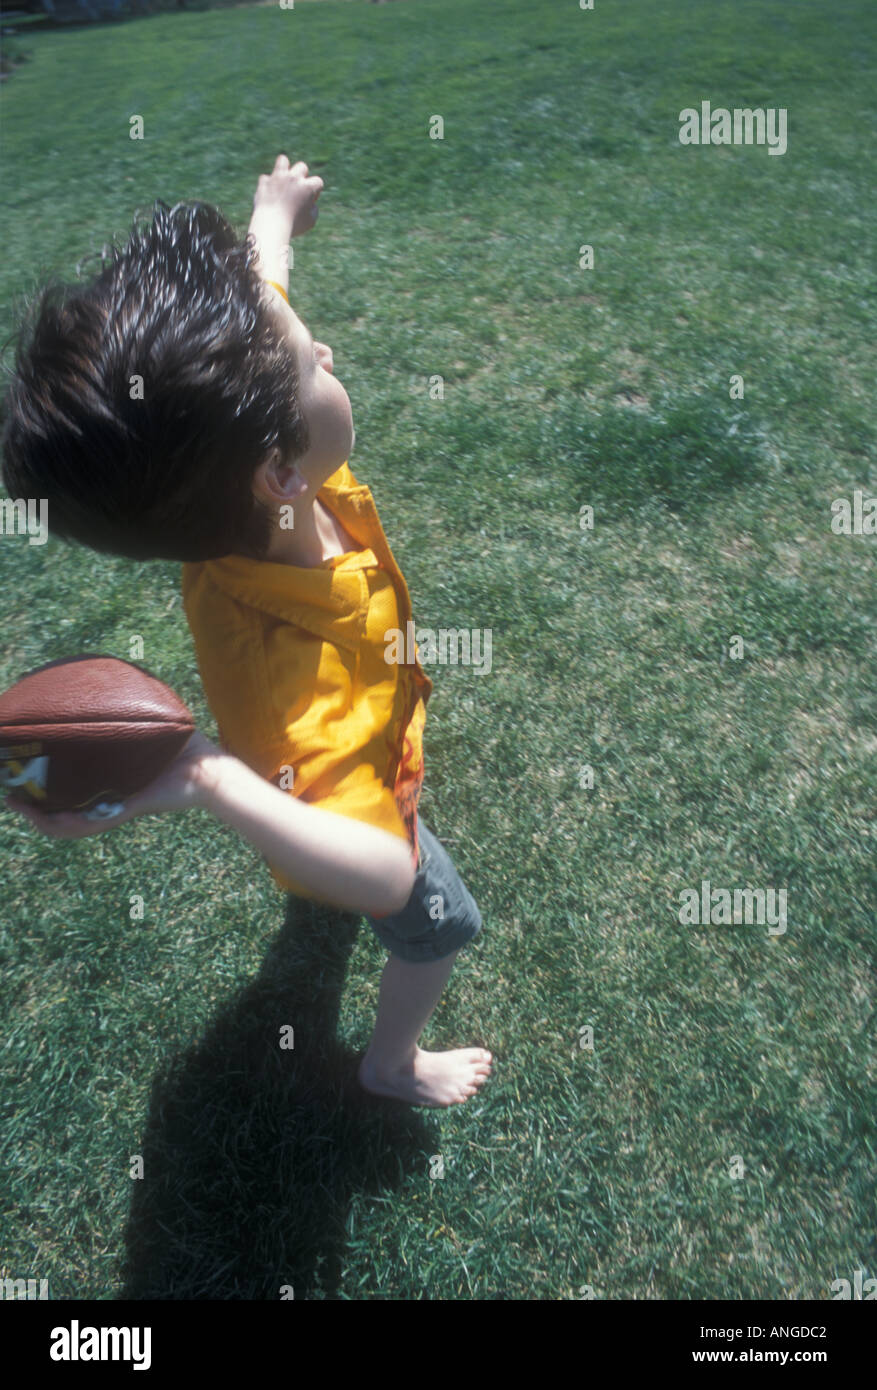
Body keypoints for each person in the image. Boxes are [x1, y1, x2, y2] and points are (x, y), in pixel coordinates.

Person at [1, 154, 492, 1108]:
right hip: (342, 788)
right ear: (279, 470)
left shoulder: (244, 485)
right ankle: (389, 1063)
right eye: (315, 363)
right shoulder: (299, 687)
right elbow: (385, 873)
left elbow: (255, 317)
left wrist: (271, 221)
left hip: (346, 711)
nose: (328, 358)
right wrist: (206, 775)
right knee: (439, 925)